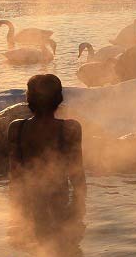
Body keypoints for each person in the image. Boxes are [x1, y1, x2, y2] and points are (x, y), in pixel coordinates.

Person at [8, 74, 86, 236]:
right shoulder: (70, 128)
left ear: (29, 100)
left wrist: (16, 208)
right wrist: (79, 205)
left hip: (29, 201)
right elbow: (77, 172)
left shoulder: (17, 128)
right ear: (59, 99)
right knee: (59, 247)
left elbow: (15, 174)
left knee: (37, 247)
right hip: (59, 200)